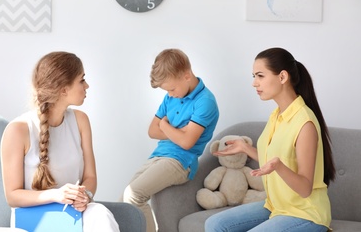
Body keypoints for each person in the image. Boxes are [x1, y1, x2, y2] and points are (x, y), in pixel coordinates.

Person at [205, 47, 336, 232]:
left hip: (305, 213)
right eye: (253, 76)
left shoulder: (304, 123)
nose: (254, 83)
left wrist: (279, 167)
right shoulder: (277, 115)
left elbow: (305, 188)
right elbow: (275, 159)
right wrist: (246, 148)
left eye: (260, 76)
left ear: (282, 77)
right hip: (276, 206)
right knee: (214, 224)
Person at [0, 51, 120, 232]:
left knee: (100, 214)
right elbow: (12, 196)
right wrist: (56, 195)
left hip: (71, 212)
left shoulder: (81, 120)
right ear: (64, 89)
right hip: (34, 217)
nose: (87, 86)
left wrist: (84, 196)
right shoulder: (18, 130)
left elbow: (90, 177)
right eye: (82, 80)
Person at [121, 48, 219, 232]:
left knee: (134, 195)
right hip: (158, 156)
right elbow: (152, 131)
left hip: (181, 161)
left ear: (187, 75)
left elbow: (186, 143)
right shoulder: (170, 97)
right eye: (167, 90)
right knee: (123, 204)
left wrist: (165, 126)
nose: (170, 94)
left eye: (172, 89)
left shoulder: (205, 101)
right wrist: (178, 132)